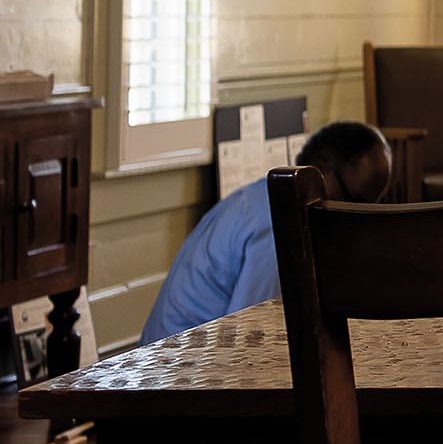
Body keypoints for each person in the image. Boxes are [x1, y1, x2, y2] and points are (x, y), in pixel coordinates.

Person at [140, 121, 391, 343]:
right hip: (178, 371)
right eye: (354, 200)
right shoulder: (275, 223)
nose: (357, 215)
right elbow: (251, 337)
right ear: (318, 171)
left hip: (197, 355)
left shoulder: (262, 197)